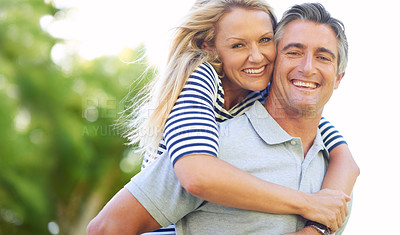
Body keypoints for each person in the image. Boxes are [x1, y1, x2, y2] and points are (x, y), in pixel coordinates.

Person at [87, 1, 359, 234]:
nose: (256, 56)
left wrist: (321, 223)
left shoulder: (263, 90)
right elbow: (197, 174)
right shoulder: (202, 87)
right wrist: (307, 203)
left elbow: (324, 133)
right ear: (211, 47)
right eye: (294, 52)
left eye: (264, 40)